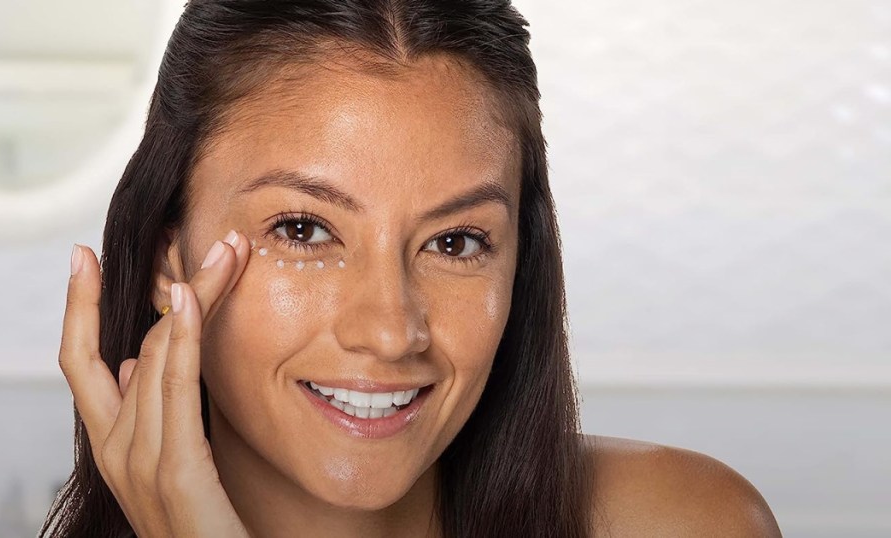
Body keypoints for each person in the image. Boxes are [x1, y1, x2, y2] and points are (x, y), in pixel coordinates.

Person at [44, 1, 782, 536]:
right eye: (303, 230)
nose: (392, 331)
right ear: (170, 257)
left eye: (455, 243)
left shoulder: (681, 522)